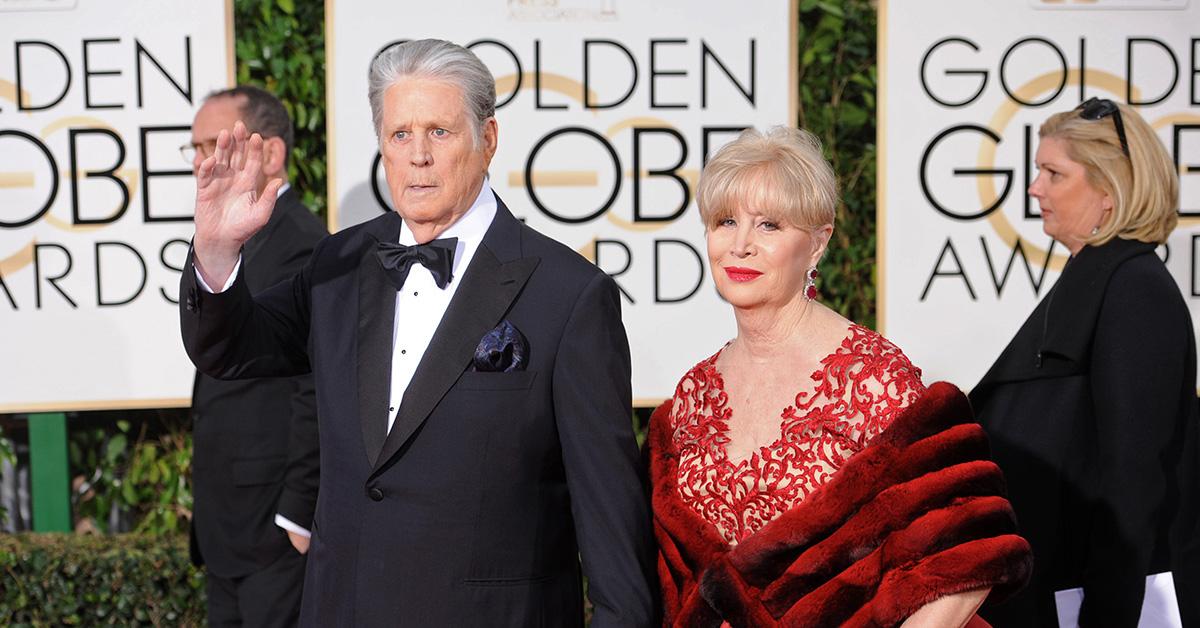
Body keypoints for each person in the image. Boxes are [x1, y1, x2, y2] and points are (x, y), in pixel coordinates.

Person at [179, 39, 656, 627]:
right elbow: (229, 348)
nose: (418, 156)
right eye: (401, 135)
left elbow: (609, 516)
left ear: (489, 140)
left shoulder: (570, 295)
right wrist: (219, 249)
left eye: (440, 132)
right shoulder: (338, 265)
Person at [648, 127, 1031, 627]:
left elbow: (967, 552)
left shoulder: (872, 377)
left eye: (769, 226)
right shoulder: (693, 394)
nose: (740, 245)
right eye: (725, 221)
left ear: (817, 244)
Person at [971, 99, 1200, 627]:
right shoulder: (1097, 283)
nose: (1034, 189)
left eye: (1053, 173)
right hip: (1059, 591)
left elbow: (1132, 483)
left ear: (1109, 191)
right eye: (1038, 172)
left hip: (1104, 603)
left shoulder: (1133, 290)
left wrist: (1106, 616)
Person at [183, 85, 325, 628]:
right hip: (227, 526)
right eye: (196, 148)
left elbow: (318, 383)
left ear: (270, 153)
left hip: (274, 527)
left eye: (215, 145)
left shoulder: (304, 246)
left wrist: (298, 511)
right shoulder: (235, 236)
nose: (202, 162)